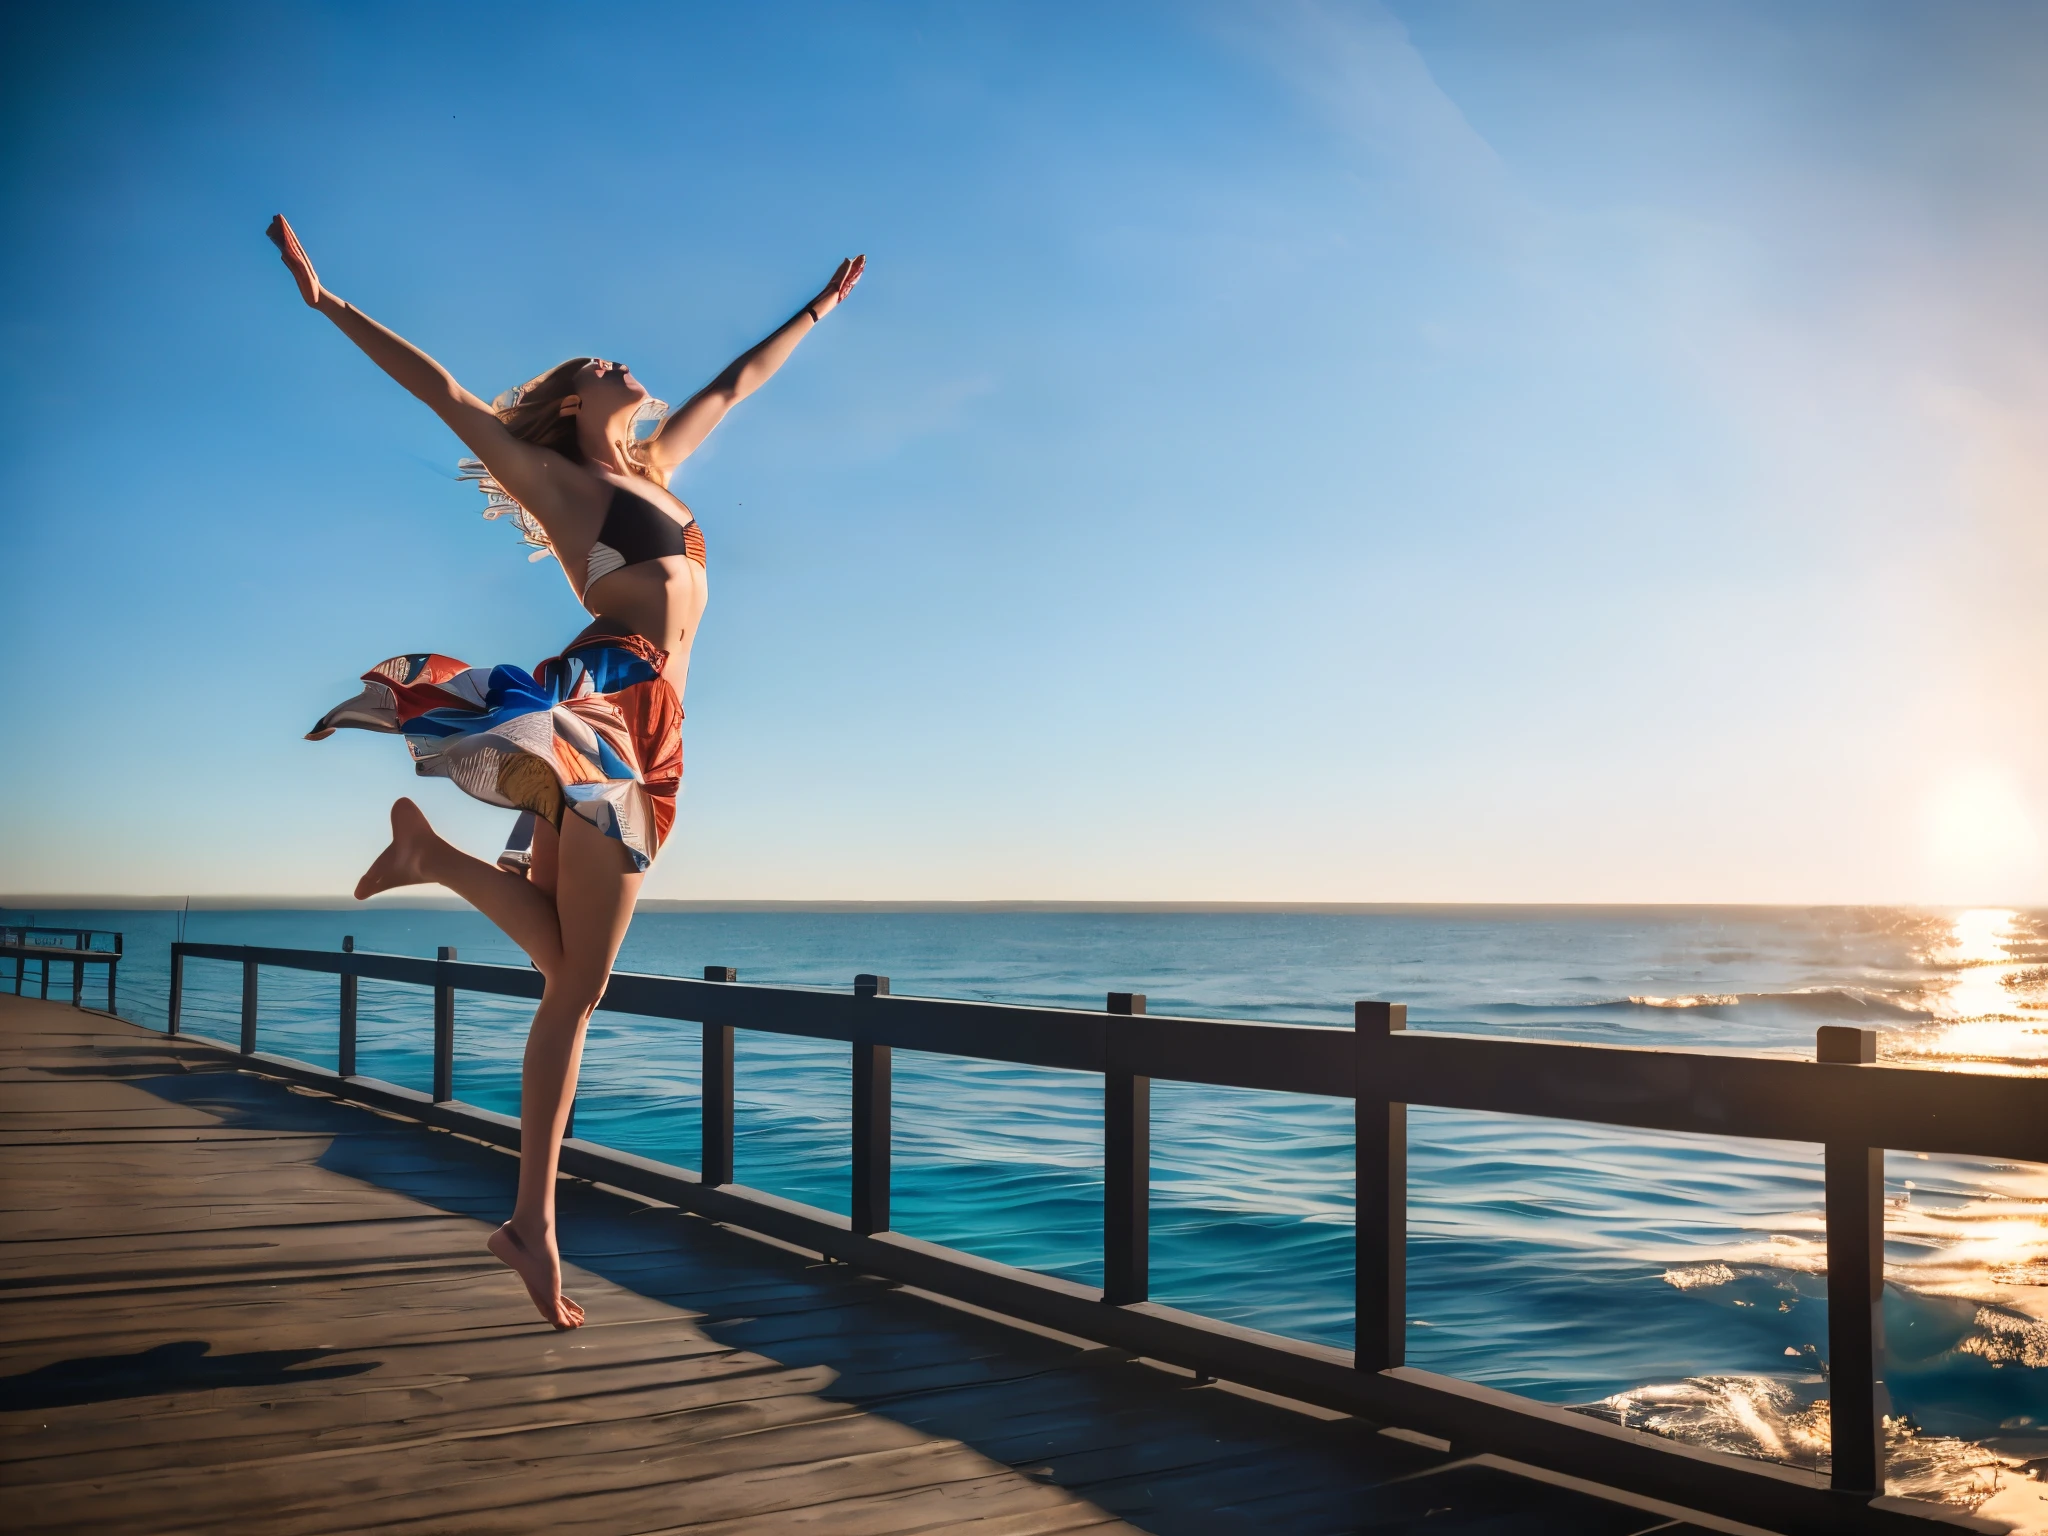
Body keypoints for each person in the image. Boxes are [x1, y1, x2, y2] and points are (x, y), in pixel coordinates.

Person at [272, 214, 862, 1328]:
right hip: (594, 706)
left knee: (572, 981)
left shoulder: (653, 468)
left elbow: (733, 386)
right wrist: (327, 303)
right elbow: (443, 392)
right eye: (599, 365)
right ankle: (531, 1223)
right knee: (578, 986)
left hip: (661, 725)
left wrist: (819, 310)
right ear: (568, 402)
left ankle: (434, 864)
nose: (620, 362)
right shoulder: (553, 477)